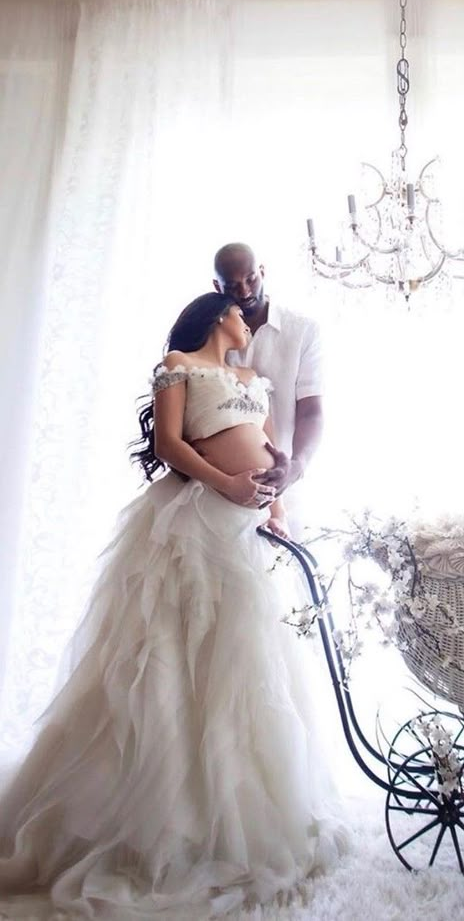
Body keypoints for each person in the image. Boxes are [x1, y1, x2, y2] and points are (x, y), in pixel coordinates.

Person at [0, 293, 347, 919]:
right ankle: (156, 823)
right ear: (219, 315)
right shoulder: (179, 365)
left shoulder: (253, 379)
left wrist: (275, 509)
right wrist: (229, 485)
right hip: (190, 525)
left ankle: (229, 814)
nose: (249, 321)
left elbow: (268, 449)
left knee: (240, 665)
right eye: (240, 314)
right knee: (167, 663)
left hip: (244, 532)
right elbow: (169, 445)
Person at [213, 242, 323, 536]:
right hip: (218, 492)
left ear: (262, 271)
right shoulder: (208, 336)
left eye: (251, 279)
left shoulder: (303, 331)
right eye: (233, 286)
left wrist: (297, 467)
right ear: (216, 286)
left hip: (286, 488)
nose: (245, 292)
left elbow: (312, 412)